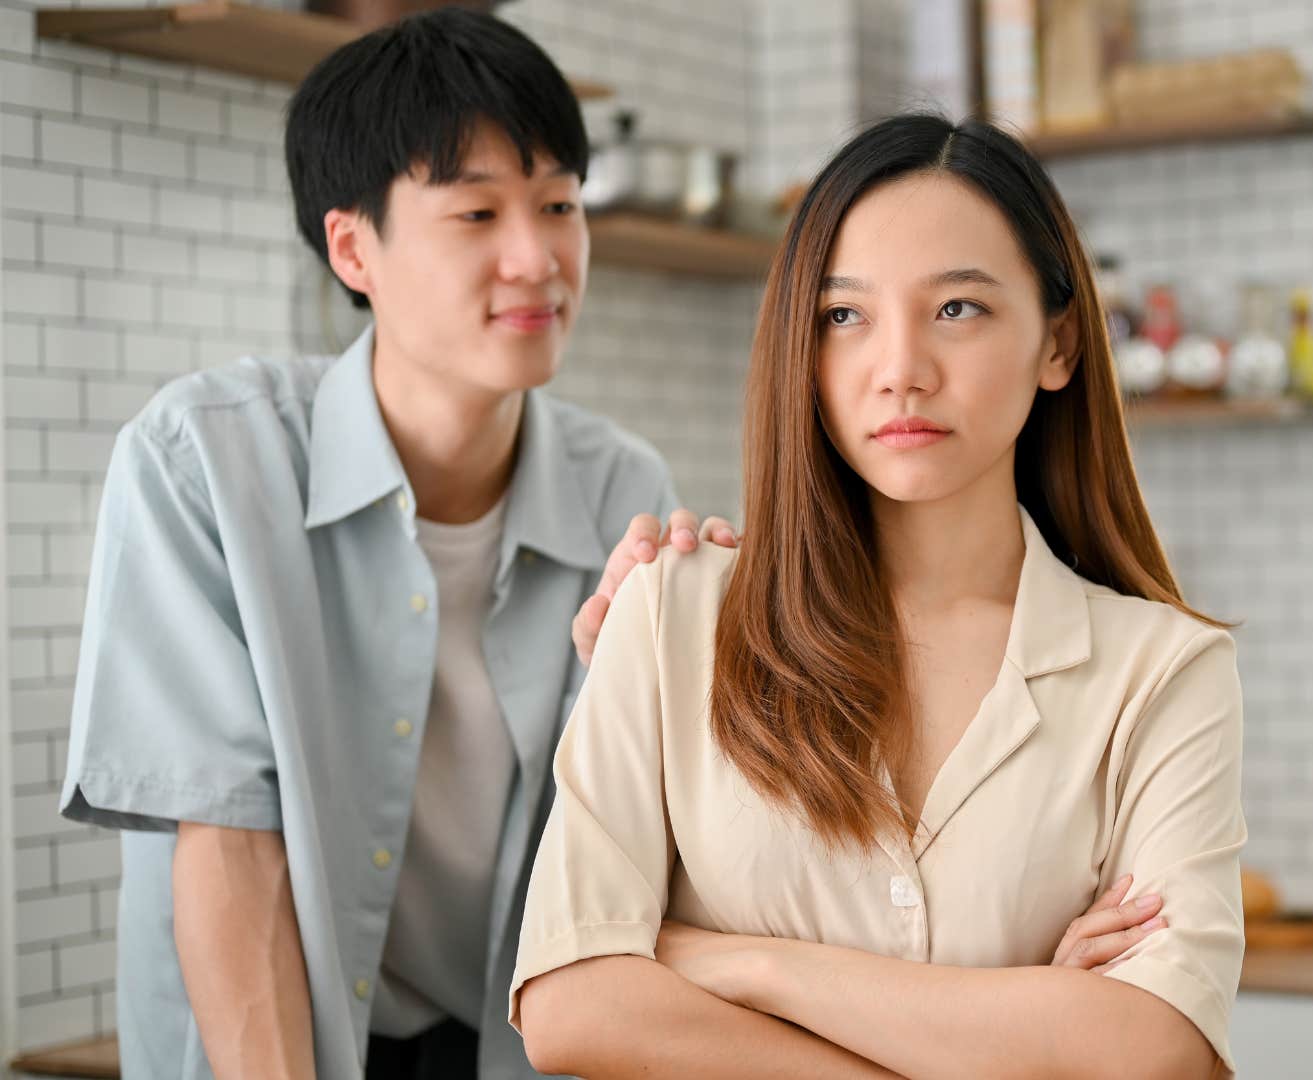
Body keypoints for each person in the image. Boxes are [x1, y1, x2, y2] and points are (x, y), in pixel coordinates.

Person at [58, 11, 735, 1079]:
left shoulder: (626, 491)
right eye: (477, 211)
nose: (537, 256)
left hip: (516, 1046)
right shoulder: (202, 465)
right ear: (352, 245)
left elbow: (642, 854)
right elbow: (229, 850)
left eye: (560, 204)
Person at [514, 114, 1247, 1078]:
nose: (900, 370)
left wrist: (745, 965)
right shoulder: (669, 614)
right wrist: (1019, 1029)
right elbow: (573, 1006)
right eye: (844, 316)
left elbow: (1155, 1051)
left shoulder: (1161, 674)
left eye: (957, 309)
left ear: (1059, 343)